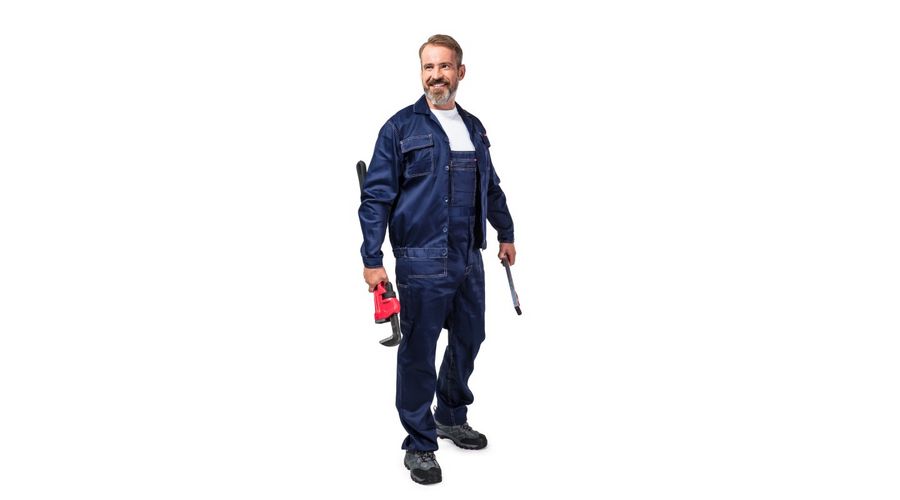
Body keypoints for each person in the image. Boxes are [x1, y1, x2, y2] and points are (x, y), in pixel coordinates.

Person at [358, 34, 516, 485]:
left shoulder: (474, 127)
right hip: (421, 259)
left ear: (460, 72)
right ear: (421, 73)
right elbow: (376, 198)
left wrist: (505, 231)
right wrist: (372, 258)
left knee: (470, 337)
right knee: (418, 352)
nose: (436, 76)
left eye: (444, 67)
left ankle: (449, 414)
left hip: (468, 256)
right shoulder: (399, 129)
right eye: (428, 67)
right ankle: (419, 443)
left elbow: (490, 187)